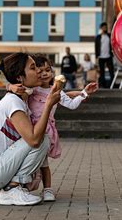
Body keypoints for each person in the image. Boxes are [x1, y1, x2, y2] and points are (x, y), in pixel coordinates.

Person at [0, 52, 61, 206]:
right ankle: (12, 189)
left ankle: (7, 188)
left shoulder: (21, 97)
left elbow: (21, 88)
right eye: (33, 68)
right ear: (20, 77)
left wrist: (9, 85)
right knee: (42, 139)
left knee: (40, 140)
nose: (39, 71)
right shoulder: (13, 102)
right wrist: (48, 105)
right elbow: (33, 140)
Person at [25, 55, 97, 201]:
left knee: (43, 163)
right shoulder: (32, 89)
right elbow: (17, 91)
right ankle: (20, 187)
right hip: (29, 129)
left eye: (48, 70)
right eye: (40, 70)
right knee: (26, 161)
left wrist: (84, 94)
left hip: (46, 131)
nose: (45, 73)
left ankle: (48, 190)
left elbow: (71, 104)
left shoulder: (57, 91)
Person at [95, 22, 115, 88]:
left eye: (105, 27)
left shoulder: (109, 35)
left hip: (108, 56)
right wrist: (96, 57)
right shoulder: (98, 37)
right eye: (103, 27)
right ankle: (102, 85)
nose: (105, 28)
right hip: (101, 57)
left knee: (111, 72)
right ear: (101, 28)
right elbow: (96, 47)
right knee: (102, 72)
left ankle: (112, 84)